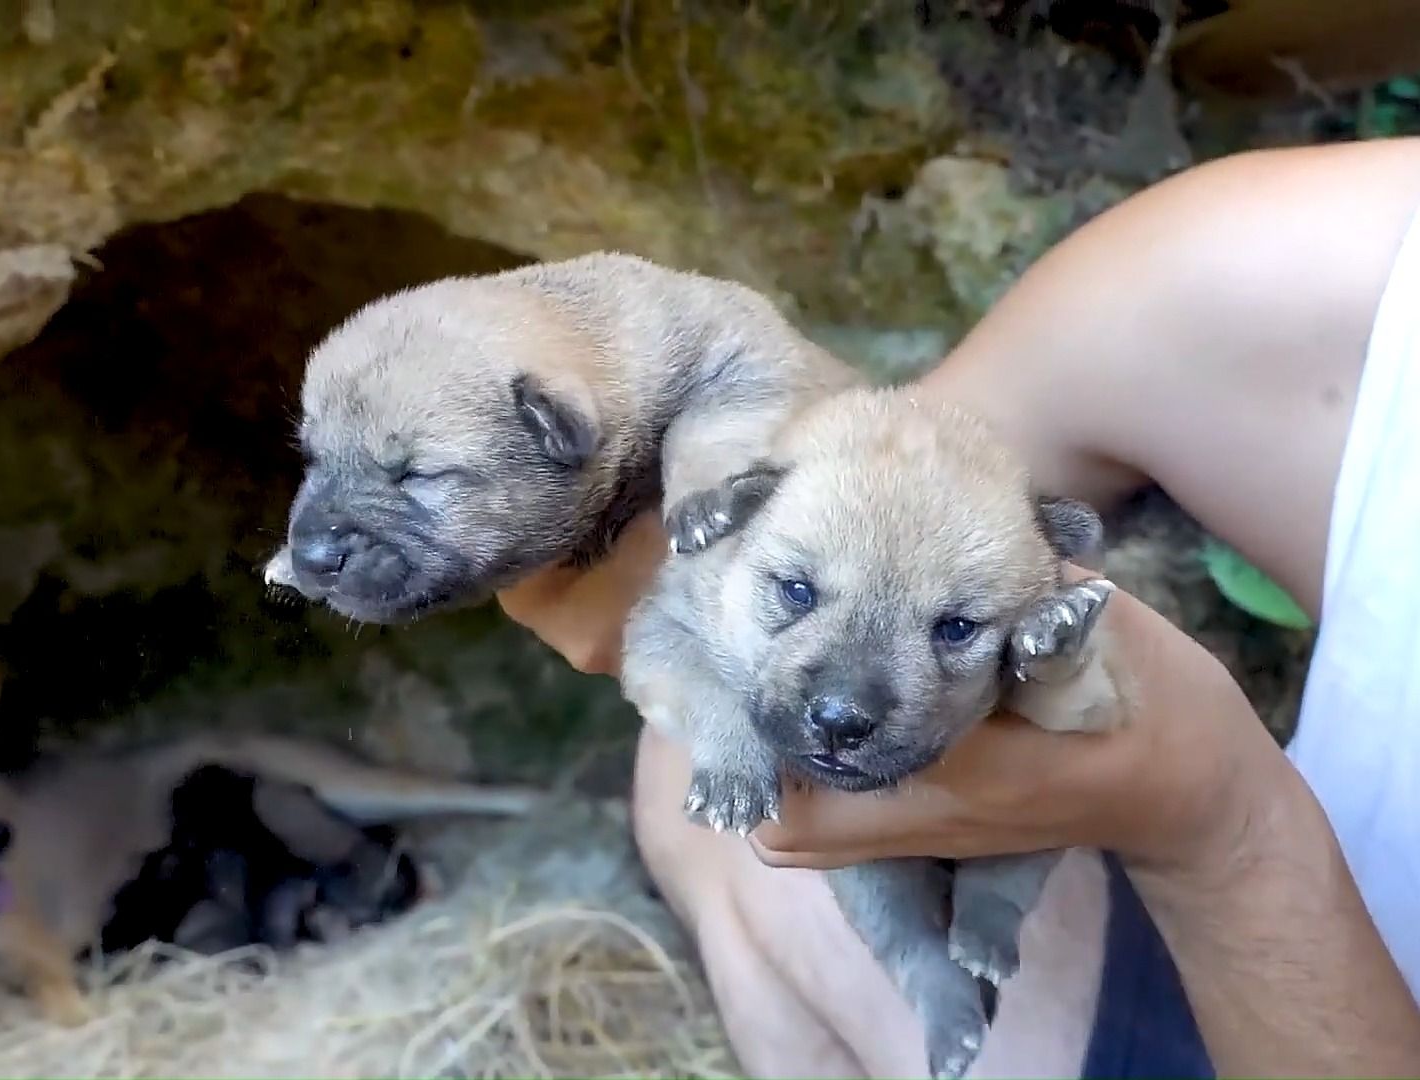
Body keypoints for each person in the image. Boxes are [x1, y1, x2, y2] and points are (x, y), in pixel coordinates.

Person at [496, 135, 1420, 1078]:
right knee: (707, 781)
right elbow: (890, 460)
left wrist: (1223, 829)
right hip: (1253, 929)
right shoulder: (1306, 256)